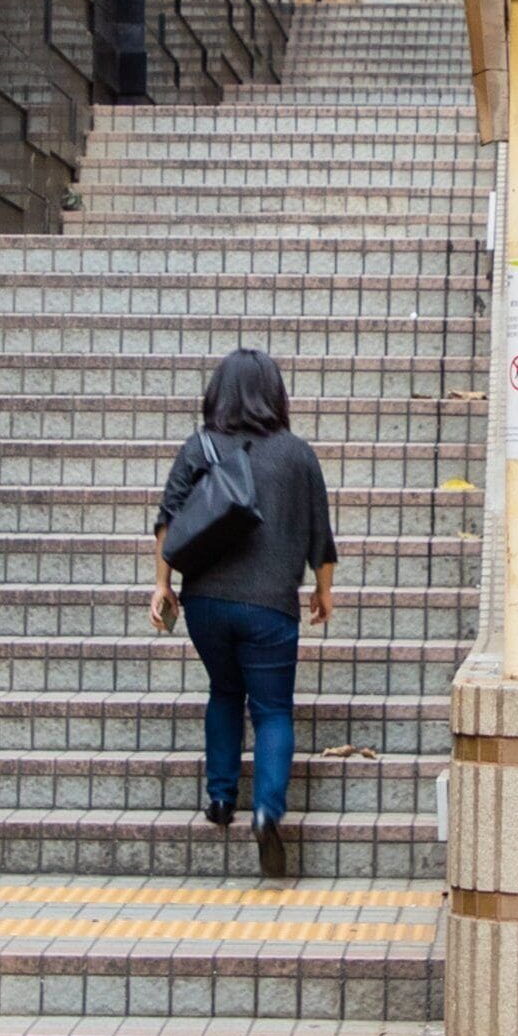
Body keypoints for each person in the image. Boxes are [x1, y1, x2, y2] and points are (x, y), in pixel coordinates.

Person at [149, 348, 338, 879]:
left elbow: (168, 524)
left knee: (225, 692)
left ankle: (220, 798)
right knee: (273, 708)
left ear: (218, 393)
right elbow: (321, 537)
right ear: (276, 394)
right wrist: (323, 592)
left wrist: (162, 586)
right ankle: (267, 810)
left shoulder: (199, 445)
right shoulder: (299, 456)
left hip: (206, 602)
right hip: (271, 605)